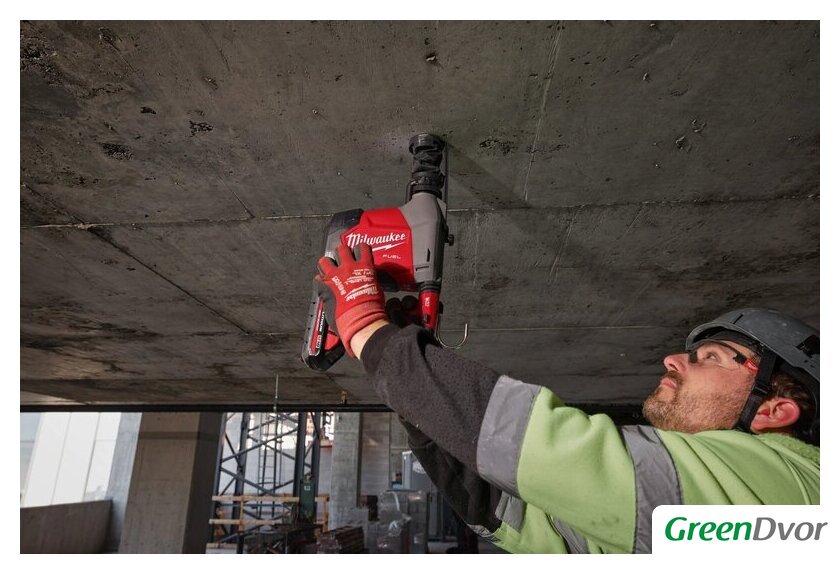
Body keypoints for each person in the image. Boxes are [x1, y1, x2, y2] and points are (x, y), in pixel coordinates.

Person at [313, 244, 820, 554]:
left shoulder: (798, 489)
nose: (672, 359)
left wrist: (370, 330)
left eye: (712, 357)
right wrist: (418, 391)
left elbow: (549, 448)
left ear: (775, 410)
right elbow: (514, 512)